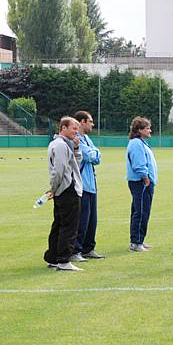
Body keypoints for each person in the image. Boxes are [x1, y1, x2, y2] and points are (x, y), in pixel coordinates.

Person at [44, 117, 84, 271]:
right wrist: (53, 189)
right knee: (69, 226)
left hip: (63, 190)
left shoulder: (63, 144)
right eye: (74, 128)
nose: (76, 131)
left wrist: (76, 149)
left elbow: (75, 165)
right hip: (68, 190)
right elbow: (58, 171)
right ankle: (63, 260)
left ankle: (53, 258)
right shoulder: (60, 145)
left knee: (59, 225)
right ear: (63, 128)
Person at [70, 111, 104, 262]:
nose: (93, 124)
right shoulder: (76, 139)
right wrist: (94, 154)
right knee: (81, 220)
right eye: (90, 121)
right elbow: (89, 156)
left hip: (91, 184)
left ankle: (88, 249)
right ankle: (76, 250)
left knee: (92, 220)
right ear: (82, 122)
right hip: (81, 185)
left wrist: (94, 153)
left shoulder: (87, 139)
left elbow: (97, 156)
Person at [126, 116, 158, 252]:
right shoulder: (136, 143)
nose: (150, 130)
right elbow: (139, 164)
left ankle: (139, 240)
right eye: (147, 128)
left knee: (142, 210)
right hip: (141, 182)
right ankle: (136, 242)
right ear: (139, 130)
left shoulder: (141, 142)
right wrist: (145, 178)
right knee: (141, 211)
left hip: (144, 182)